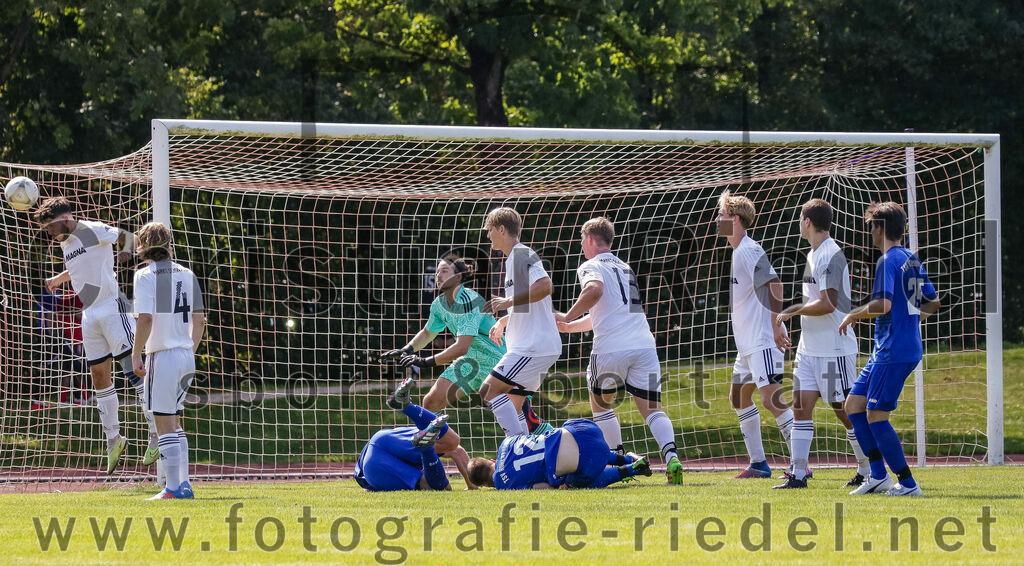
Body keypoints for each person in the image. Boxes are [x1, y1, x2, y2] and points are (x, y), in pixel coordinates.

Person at [34, 197, 159, 473]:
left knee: (133, 370)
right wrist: (58, 279)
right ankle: (114, 439)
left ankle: (156, 433)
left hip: (111, 308)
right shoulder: (66, 242)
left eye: (51, 228)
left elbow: (129, 238)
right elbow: (81, 267)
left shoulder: (93, 229)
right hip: (89, 314)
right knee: (99, 378)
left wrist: (126, 249)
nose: (49, 234)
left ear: (65, 219)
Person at [556, 216, 683, 485]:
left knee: (600, 405)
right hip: (644, 346)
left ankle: (620, 464)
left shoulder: (590, 266)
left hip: (611, 348)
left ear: (590, 239)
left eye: (581, 239)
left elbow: (594, 290)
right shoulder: (625, 267)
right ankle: (671, 456)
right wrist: (570, 327)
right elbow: (605, 312)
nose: (581, 245)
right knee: (653, 410)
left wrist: (566, 316)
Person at [379, 253, 551, 433]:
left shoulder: (469, 300)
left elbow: (462, 347)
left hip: (496, 361)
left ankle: (552, 440)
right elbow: (428, 332)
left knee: (524, 420)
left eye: (444, 271)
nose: (438, 276)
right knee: (430, 403)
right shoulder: (439, 304)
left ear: (458, 277)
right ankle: (440, 449)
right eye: (437, 272)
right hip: (469, 363)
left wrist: (424, 362)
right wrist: (406, 349)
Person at [839, 202, 940, 496]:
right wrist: (911, 319)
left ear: (879, 228)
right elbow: (932, 302)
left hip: (893, 351)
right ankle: (878, 476)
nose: (869, 231)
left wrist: (853, 314)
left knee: (875, 415)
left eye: (871, 226)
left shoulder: (887, 261)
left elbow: (882, 305)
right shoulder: (910, 258)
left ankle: (907, 483)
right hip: (895, 347)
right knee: (853, 406)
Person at [773, 199, 870, 489]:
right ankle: (798, 475)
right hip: (809, 350)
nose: (799, 223)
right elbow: (814, 298)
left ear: (808, 222)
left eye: (800, 218)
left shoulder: (832, 254)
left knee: (845, 410)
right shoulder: (812, 253)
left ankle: (868, 469)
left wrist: (792, 310)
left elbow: (827, 303)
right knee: (800, 408)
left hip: (833, 349)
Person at [715, 191, 795, 478]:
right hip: (748, 344)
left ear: (735, 219)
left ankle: (801, 466)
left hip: (763, 339)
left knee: (772, 400)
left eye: (722, 215)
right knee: (738, 397)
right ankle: (759, 464)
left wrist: (776, 325)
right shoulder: (739, 251)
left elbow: (775, 286)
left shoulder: (749, 249)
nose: (717, 219)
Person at [131, 221, 206, 500]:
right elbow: (199, 320)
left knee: (164, 422)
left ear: (143, 246)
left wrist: (136, 353)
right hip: (186, 354)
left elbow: (146, 318)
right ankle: (182, 484)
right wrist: (188, 351)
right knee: (173, 421)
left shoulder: (145, 276)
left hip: (162, 355)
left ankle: (174, 488)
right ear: (169, 243)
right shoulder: (188, 274)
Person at [479, 207, 562, 436]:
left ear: (501, 229)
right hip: (539, 346)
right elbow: (528, 304)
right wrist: (505, 320)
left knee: (488, 390)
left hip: (533, 347)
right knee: (513, 410)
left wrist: (507, 302)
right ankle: (530, 455)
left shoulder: (521, 254)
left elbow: (545, 286)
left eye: (490, 230)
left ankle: (517, 449)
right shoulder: (514, 259)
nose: (488, 236)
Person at [354, 377, 474, 491]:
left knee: (452, 441)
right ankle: (424, 444)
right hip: (376, 461)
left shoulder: (441, 446)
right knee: (439, 485)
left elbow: (457, 450)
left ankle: (407, 406)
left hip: (379, 447)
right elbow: (458, 452)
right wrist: (473, 485)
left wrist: (472, 486)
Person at [466, 418, 653, 490]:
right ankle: (628, 457)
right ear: (490, 459)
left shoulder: (502, 484)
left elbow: (545, 487)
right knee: (581, 446)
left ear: (485, 484)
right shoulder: (506, 442)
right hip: (584, 429)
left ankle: (631, 469)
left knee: (572, 482)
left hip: (581, 460)